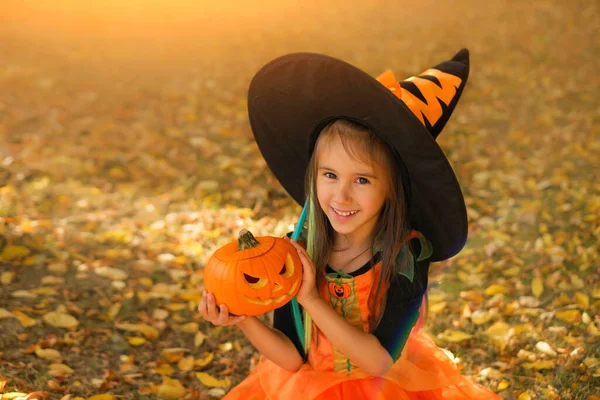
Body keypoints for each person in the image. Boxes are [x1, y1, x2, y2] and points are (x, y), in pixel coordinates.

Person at [198, 49, 501, 399]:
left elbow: (379, 362)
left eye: (362, 180)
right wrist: (243, 317)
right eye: (330, 175)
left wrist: (311, 298)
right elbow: (293, 358)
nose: (341, 197)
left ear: (393, 188)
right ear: (313, 176)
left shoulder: (408, 254)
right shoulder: (297, 249)